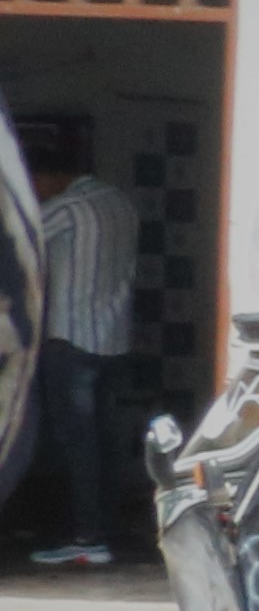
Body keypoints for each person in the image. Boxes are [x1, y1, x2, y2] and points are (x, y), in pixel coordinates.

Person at [27, 150, 143, 569]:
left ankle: (86, 537)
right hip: (112, 339)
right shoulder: (121, 204)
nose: (35, 189)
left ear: (57, 175)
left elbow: (18, 237)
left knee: (75, 444)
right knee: (104, 440)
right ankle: (104, 530)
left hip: (70, 339)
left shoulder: (69, 208)